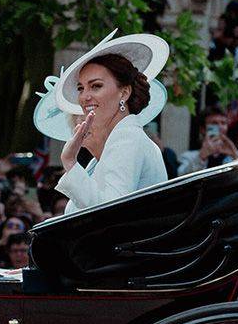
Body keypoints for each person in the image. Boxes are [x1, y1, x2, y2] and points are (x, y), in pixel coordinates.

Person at [52, 32, 170, 213]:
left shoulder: (127, 137)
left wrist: (69, 161)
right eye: (80, 88)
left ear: (124, 93)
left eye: (96, 86)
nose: (84, 96)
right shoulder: (109, 150)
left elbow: (109, 212)